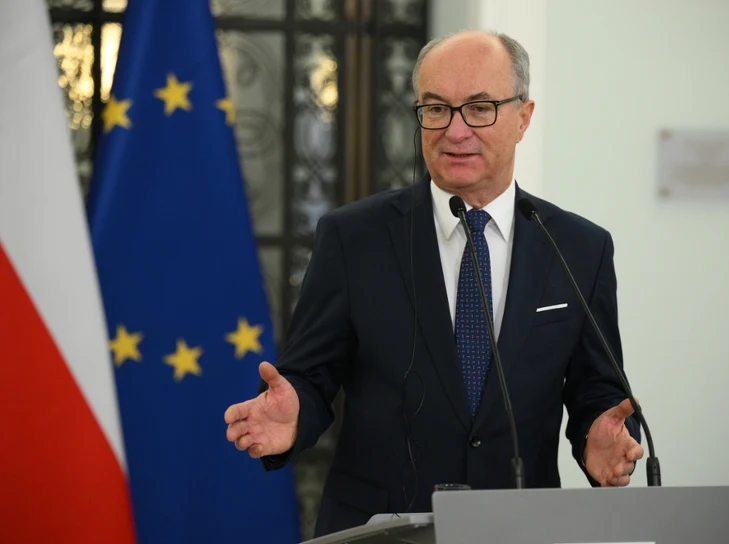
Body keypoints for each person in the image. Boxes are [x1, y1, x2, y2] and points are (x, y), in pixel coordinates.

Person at [225, 29, 643, 537]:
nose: (455, 130)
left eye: (480, 108)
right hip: (380, 530)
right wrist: (294, 415)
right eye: (436, 108)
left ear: (523, 117)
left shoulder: (578, 248)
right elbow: (310, 376)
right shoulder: (353, 237)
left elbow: (598, 391)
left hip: (517, 528)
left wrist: (599, 437)